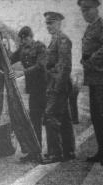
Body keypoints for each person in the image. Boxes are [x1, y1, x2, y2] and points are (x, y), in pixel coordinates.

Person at [42, 12, 75, 164]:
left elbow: (64, 66)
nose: (48, 26)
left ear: (59, 23)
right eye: (47, 23)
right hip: (56, 84)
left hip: (58, 86)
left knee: (51, 116)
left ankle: (56, 153)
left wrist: (57, 87)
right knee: (65, 119)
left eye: (51, 23)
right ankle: (69, 151)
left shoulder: (62, 40)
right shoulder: (55, 39)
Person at [10, 26, 47, 162]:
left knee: (49, 120)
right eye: (22, 39)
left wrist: (22, 72)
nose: (23, 42)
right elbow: (10, 58)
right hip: (34, 90)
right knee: (35, 120)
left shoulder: (40, 47)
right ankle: (35, 152)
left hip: (45, 88)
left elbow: (41, 66)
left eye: (25, 39)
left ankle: (57, 152)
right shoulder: (22, 50)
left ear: (31, 37)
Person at [78, 0, 103, 163]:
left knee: (101, 115)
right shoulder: (89, 28)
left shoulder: (101, 26)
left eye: (87, 10)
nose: (84, 13)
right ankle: (101, 151)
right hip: (94, 79)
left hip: (101, 78)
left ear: (96, 8)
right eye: (82, 11)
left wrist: (90, 60)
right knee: (96, 116)